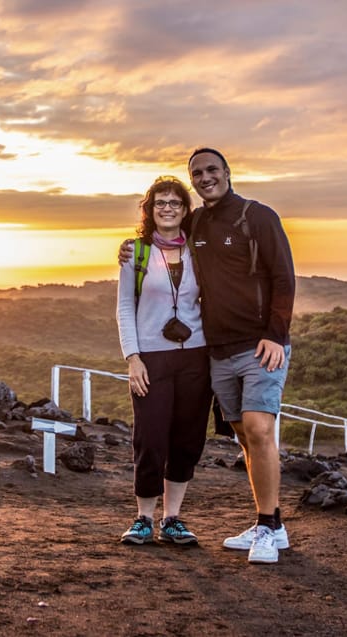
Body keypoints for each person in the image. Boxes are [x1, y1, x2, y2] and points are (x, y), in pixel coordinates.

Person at [118, 148, 296, 564]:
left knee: (253, 429)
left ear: (228, 172)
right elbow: (132, 294)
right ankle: (269, 523)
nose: (205, 177)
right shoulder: (183, 230)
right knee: (237, 435)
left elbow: (283, 277)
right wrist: (133, 355)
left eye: (212, 170)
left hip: (251, 347)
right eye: (197, 173)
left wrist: (275, 333)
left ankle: (266, 525)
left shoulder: (257, 216)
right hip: (210, 352)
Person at [116, 176, 212, 545]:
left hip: (195, 357)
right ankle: (143, 517)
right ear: (150, 210)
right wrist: (133, 357)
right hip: (152, 358)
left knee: (186, 439)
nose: (167, 208)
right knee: (150, 437)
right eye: (160, 203)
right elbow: (125, 308)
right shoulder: (135, 253)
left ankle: (172, 519)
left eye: (175, 203)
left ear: (186, 211)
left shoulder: (199, 252)